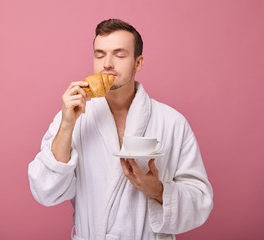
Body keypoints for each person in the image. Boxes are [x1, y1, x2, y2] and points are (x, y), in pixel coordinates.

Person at [28, 19, 213, 240]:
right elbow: (45, 191)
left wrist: (157, 190)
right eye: (100, 54)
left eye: (119, 54)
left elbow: (201, 202)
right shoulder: (71, 117)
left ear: (138, 63)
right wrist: (67, 125)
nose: (107, 64)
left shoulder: (172, 122)